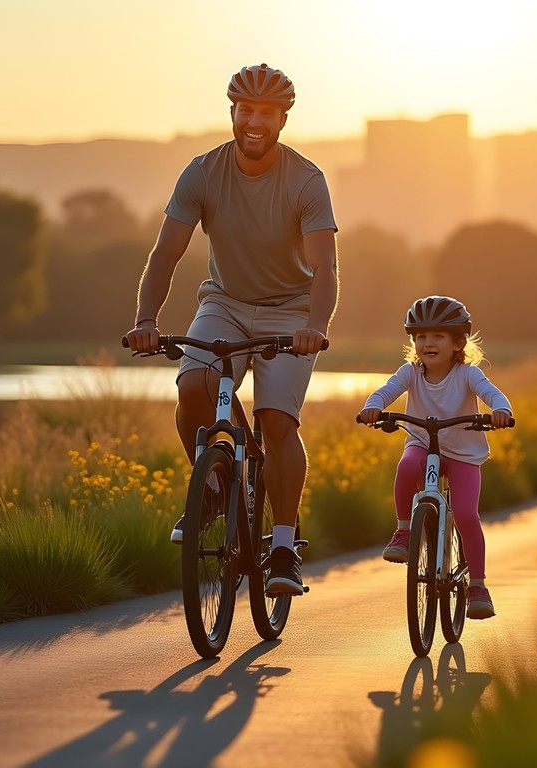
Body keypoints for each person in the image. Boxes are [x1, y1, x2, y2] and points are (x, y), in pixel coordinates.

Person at [124, 64, 338, 597]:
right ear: (233, 114)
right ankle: (216, 483)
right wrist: (147, 321)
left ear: (282, 119)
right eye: (246, 111)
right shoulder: (202, 172)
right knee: (193, 384)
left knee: (276, 419)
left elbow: (326, 268)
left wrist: (314, 325)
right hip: (225, 303)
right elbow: (166, 254)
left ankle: (283, 546)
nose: (254, 122)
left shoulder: (306, 180)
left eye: (266, 113)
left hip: (291, 309)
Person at [357, 296, 513, 619]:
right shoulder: (410, 373)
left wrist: (501, 410)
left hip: (463, 454)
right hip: (422, 443)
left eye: (438, 336)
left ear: (458, 342)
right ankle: (403, 531)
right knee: (405, 467)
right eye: (421, 337)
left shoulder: (468, 375)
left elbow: (492, 394)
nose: (427, 343)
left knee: (467, 514)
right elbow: (386, 390)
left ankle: (478, 586)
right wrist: (373, 406)